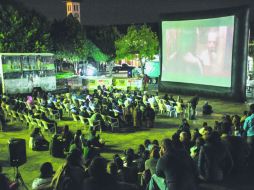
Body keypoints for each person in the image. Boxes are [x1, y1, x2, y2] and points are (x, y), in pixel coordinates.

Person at [243, 104, 254, 168]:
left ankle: (249, 164)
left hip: (250, 137)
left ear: (251, 110)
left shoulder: (248, 119)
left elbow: (245, 128)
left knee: (250, 151)